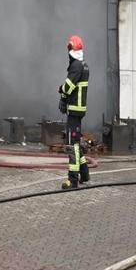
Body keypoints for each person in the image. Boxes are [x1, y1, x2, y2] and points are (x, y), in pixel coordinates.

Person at [58, 34, 90, 190]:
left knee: (72, 146)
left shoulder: (76, 66)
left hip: (74, 111)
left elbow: (69, 85)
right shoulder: (83, 65)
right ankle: (84, 174)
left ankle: (73, 180)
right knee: (76, 143)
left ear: (71, 49)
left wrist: (62, 94)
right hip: (79, 110)